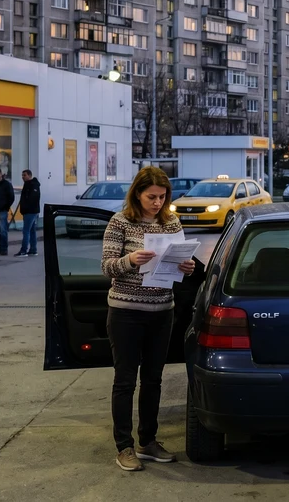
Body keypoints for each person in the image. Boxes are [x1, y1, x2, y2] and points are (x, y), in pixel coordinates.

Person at [101, 166, 195, 472]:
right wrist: (130, 260)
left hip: (161, 311)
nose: (157, 202)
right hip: (126, 312)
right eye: (151, 197)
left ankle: (148, 441)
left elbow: (180, 262)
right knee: (125, 380)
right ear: (137, 194)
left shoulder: (171, 223)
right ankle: (124, 447)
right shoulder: (120, 222)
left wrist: (187, 267)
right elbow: (107, 267)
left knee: (154, 380)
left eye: (162, 196)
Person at [15, 169, 41, 258]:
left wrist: (25, 207)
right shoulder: (29, 185)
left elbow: (32, 198)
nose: (23, 177)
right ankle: (33, 249)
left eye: (24, 175)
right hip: (31, 211)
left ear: (29, 175)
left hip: (30, 211)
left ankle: (23, 251)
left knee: (26, 231)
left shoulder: (33, 185)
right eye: (22, 175)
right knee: (32, 230)